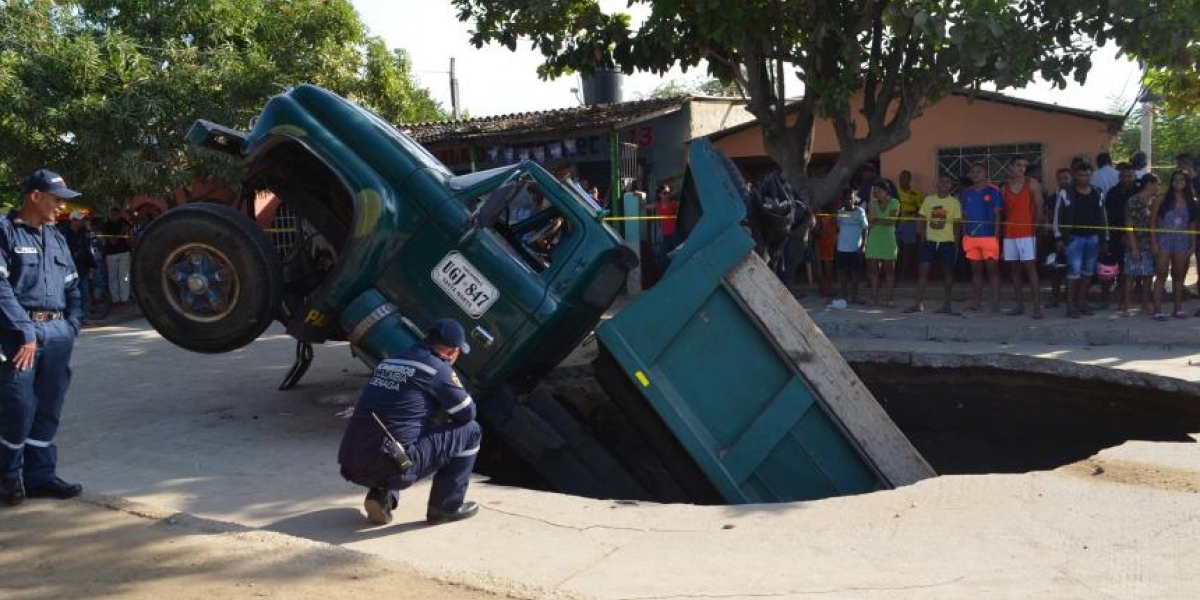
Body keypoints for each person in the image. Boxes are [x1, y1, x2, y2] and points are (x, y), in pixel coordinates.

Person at [337, 319, 482, 525]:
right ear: (452, 351)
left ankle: (382, 497)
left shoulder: (390, 362)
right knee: (471, 431)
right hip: (392, 465)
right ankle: (446, 507)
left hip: (351, 460)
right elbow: (467, 413)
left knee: (402, 430)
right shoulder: (436, 368)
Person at [0, 169, 85, 506]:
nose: (61, 207)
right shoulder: (5, 232)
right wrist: (24, 332)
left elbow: (73, 285)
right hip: (18, 334)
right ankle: (8, 477)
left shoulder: (56, 237)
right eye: (56, 199)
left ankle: (40, 477)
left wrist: (73, 324)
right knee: (18, 405)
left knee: (49, 405)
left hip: (58, 332)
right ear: (35, 196)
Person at [1053, 162, 1109, 318]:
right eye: (1081, 175)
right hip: (1073, 239)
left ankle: (1081, 303)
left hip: (1093, 238)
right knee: (1073, 272)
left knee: (1088, 272)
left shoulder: (1098, 193)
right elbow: (1058, 215)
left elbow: (1103, 216)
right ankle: (1070, 307)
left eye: (1087, 175)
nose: (1084, 178)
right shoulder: (1066, 193)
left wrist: (1104, 238)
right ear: (1075, 175)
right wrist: (1058, 237)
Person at [905, 175, 962, 315]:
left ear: (951, 186)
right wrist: (923, 239)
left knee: (947, 273)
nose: (944, 184)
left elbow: (957, 226)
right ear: (936, 184)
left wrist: (956, 246)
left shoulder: (954, 203)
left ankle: (947, 305)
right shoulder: (929, 200)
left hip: (947, 242)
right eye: (942, 181)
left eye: (947, 182)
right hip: (929, 242)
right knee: (922, 271)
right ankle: (918, 304)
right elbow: (922, 220)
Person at [1000, 155, 1044, 318]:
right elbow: (1005, 211)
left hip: (1027, 233)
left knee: (1030, 269)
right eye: (1018, 165)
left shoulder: (1032, 184)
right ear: (1011, 166)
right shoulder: (1004, 187)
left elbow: (1039, 207)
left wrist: (1034, 228)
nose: (1021, 168)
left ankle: (1037, 307)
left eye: (1024, 165)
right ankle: (1019, 305)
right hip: (1010, 233)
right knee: (1014, 269)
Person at [1149, 171, 1198, 320]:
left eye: (1182, 180)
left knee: (1178, 275)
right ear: (1171, 182)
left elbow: (1192, 224)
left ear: (1186, 182)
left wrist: (1193, 243)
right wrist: (1154, 243)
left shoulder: (1191, 202)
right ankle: (1157, 310)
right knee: (1162, 274)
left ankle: (1178, 309)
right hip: (1163, 240)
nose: (1178, 182)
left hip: (1181, 241)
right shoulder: (1162, 199)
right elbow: (1151, 223)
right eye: (1175, 180)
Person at [960, 163, 1004, 312]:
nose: (975, 174)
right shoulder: (966, 192)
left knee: (993, 271)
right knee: (976, 271)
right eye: (972, 171)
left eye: (978, 171)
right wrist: (965, 234)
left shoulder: (993, 191)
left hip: (989, 237)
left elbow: (998, 215)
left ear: (985, 173)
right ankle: (976, 302)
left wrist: (996, 236)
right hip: (971, 237)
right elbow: (964, 216)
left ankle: (996, 304)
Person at [1103, 164, 1140, 310]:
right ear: (1119, 176)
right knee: (1109, 268)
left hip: (1132, 236)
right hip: (1113, 235)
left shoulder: (1138, 192)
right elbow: (1107, 213)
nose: (1126, 179)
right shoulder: (1112, 192)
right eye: (1123, 176)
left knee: (1127, 270)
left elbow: (1138, 217)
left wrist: (1128, 234)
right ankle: (1105, 299)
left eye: (1129, 176)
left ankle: (1124, 301)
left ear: (1134, 177)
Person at [1123, 174, 1158, 316]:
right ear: (1149, 184)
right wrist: (1134, 247)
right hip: (1134, 242)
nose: (1158, 187)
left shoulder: (1155, 201)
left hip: (1150, 243)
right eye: (1157, 184)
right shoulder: (1133, 200)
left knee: (1148, 275)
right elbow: (1129, 225)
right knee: (1130, 275)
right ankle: (1126, 305)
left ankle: (1145, 304)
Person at [864, 180, 900, 307]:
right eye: (875, 192)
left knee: (889, 271)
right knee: (873, 271)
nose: (877, 194)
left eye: (879, 191)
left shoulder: (895, 202)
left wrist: (877, 221)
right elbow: (870, 220)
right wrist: (872, 202)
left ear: (886, 191)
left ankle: (890, 299)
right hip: (874, 239)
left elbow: (891, 221)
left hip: (888, 239)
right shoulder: (873, 203)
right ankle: (873, 298)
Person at [830, 188, 868, 308]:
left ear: (854, 199)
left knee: (855, 275)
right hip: (842, 248)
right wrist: (834, 216)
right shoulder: (841, 212)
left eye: (851, 198)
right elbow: (835, 224)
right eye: (847, 198)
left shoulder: (860, 212)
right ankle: (843, 295)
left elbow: (865, 228)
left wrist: (863, 245)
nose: (849, 201)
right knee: (842, 274)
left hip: (855, 249)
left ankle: (854, 297)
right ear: (843, 200)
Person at [1042, 168, 1073, 308]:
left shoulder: (1074, 196)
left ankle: (1070, 299)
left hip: (1072, 238)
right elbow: (1048, 217)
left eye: (1066, 178)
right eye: (1060, 178)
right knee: (1055, 270)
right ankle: (1054, 298)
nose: (1063, 181)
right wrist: (1055, 236)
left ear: (1071, 178)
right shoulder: (1052, 198)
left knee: (1071, 270)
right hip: (1054, 238)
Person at [59, 211, 96, 324]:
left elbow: (88, 250)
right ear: (73, 220)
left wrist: (91, 266)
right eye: (79, 220)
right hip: (68, 270)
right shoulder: (64, 233)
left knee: (84, 293)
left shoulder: (84, 232)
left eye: (82, 220)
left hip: (82, 267)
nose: (81, 222)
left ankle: (82, 316)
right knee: (70, 294)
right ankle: (70, 317)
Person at [894, 170, 923, 281]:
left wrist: (912, 212)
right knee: (895, 247)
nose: (902, 180)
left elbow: (920, 209)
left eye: (905, 178)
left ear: (909, 179)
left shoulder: (916, 193)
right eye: (901, 178)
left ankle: (905, 274)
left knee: (907, 249)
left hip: (909, 223)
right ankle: (895, 272)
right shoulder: (895, 192)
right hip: (896, 222)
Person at [101, 207, 133, 304]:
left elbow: (130, 231)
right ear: (110, 214)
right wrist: (123, 231)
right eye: (112, 215)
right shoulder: (106, 225)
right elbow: (113, 241)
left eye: (116, 215)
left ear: (119, 214)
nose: (114, 217)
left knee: (124, 277)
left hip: (124, 252)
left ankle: (125, 299)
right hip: (111, 253)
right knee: (113, 277)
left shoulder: (123, 222)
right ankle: (116, 299)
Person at [814, 200, 840, 297]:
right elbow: (818, 230)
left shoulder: (826, 214)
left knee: (825, 265)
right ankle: (827, 289)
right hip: (825, 242)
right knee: (825, 265)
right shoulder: (826, 215)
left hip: (828, 242)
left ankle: (825, 288)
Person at [653, 184, 679, 272]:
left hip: (675, 234)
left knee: (670, 256)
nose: (667, 194)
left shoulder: (673, 203)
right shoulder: (658, 205)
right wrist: (640, 195)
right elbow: (644, 206)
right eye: (665, 193)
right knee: (664, 257)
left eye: (668, 192)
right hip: (666, 235)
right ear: (659, 195)